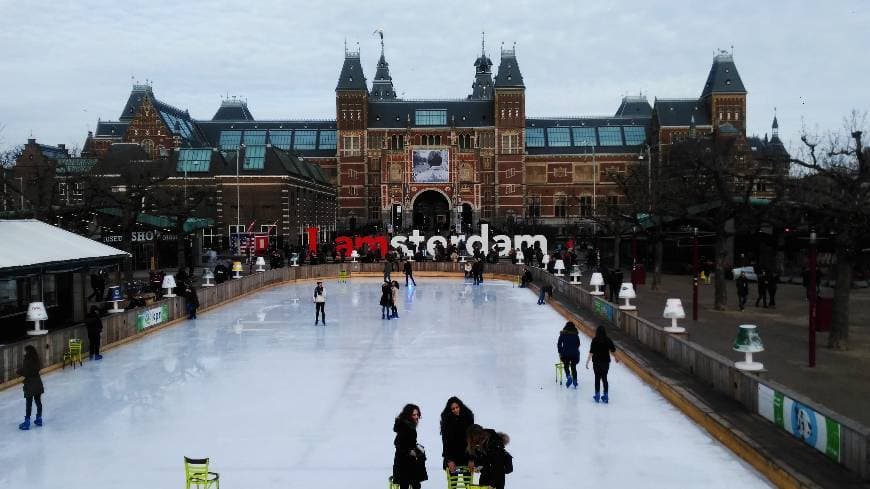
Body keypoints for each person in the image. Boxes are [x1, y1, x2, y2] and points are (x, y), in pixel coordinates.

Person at [392, 403, 427, 489]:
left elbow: (407, 443)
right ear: (408, 415)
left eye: (417, 414)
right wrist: (410, 451)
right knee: (410, 485)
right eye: (414, 415)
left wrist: (418, 449)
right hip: (404, 464)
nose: (416, 417)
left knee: (414, 484)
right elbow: (398, 443)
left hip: (407, 463)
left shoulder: (408, 426)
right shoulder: (405, 427)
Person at [466, 424, 511, 489]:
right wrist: (474, 463)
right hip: (485, 478)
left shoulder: (493, 443)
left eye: (473, 438)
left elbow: (498, 466)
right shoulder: (479, 444)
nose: (473, 441)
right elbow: (483, 462)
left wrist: (492, 484)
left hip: (496, 480)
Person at [440, 397, 475, 474]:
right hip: (452, 457)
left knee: (468, 484)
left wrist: (471, 459)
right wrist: (449, 460)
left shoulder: (468, 417)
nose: (455, 410)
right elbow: (446, 442)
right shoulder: (446, 421)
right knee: (453, 484)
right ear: (450, 410)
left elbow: (472, 440)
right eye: (453, 409)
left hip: (466, 456)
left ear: (460, 406)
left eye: (457, 407)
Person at [586, 325, 618, 403]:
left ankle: (597, 395)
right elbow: (613, 350)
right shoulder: (608, 340)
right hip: (605, 362)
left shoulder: (595, 340)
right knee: (604, 378)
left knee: (597, 378)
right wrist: (616, 358)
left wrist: (587, 361)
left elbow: (591, 352)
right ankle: (606, 395)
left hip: (596, 362)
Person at [16, 345, 44, 430]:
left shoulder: (27, 359)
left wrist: (18, 371)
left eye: (25, 350)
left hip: (30, 384)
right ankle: (39, 419)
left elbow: (26, 372)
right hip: (37, 383)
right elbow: (36, 369)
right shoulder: (37, 359)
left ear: (28, 351)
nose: (24, 352)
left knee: (29, 403)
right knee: (38, 401)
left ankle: (27, 422)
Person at [557, 321, 581, 388]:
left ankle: (569, 376)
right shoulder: (576, 335)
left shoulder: (563, 334)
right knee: (573, 366)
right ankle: (575, 381)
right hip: (574, 354)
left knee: (566, 365)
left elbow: (559, 344)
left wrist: (560, 351)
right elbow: (578, 344)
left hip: (565, 353)